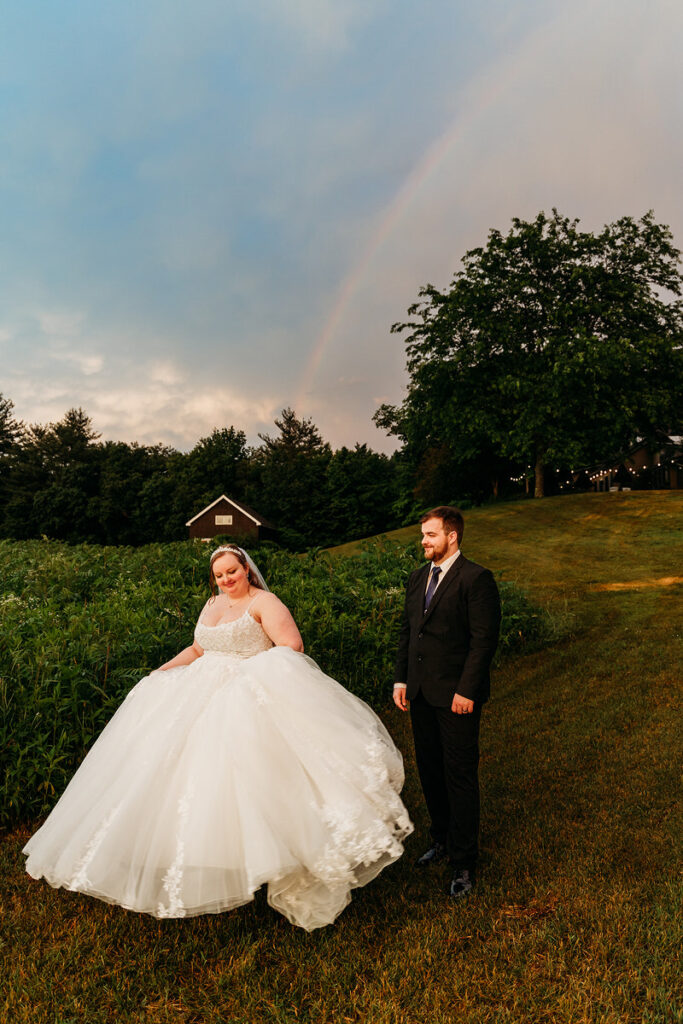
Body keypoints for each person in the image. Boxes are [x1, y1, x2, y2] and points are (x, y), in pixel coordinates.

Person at [24, 545, 413, 931]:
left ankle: (275, 858)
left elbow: (292, 647)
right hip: (197, 693)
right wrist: (159, 672)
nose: (226, 579)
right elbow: (197, 647)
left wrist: (247, 676)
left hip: (249, 698)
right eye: (220, 575)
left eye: (232, 571)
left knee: (253, 783)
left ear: (246, 569)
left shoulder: (265, 602)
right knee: (180, 778)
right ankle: (202, 856)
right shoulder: (211, 605)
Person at [393, 506, 500, 900]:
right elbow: (408, 632)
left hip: (457, 697)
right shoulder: (417, 577)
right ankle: (440, 840)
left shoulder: (476, 579)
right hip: (420, 694)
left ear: (452, 536)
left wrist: (467, 691)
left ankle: (464, 862)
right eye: (423, 534)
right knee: (431, 772)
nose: (424, 541)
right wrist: (401, 678)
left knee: (459, 775)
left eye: (431, 535)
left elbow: (483, 641)